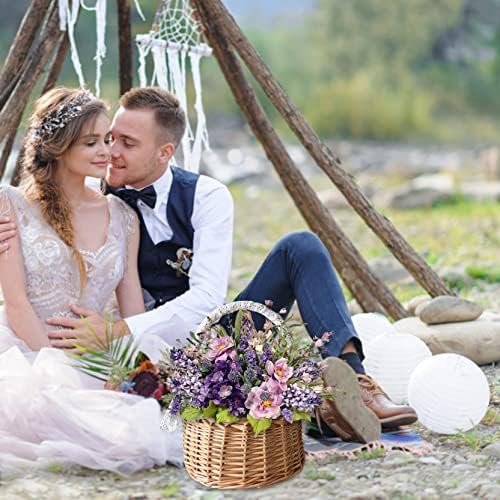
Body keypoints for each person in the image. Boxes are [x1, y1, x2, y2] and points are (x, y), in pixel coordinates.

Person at [0, 87, 417, 445]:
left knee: (301, 247)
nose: (112, 152)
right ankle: (316, 407)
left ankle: (357, 385)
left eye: (126, 143)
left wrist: (118, 332)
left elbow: (206, 300)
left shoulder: (207, 197)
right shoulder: (94, 190)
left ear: (165, 152)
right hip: (135, 351)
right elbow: (46, 199)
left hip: (205, 337)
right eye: (109, 139)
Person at [0, 87, 182, 475]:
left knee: (161, 415)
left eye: (109, 140)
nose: (106, 152)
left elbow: (132, 307)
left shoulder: (122, 216)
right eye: (91, 143)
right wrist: (53, 366)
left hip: (100, 353)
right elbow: (15, 303)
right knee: (64, 422)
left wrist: (137, 364)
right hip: (29, 350)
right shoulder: (11, 205)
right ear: (60, 148)